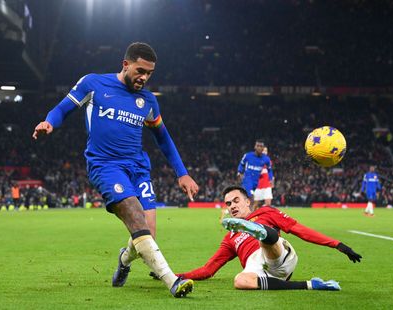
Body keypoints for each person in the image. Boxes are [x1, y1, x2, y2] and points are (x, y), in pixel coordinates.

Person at [33, 42, 199, 298]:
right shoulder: (93, 84)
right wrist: (49, 122)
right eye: (140, 70)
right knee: (134, 215)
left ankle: (124, 259)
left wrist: (182, 172)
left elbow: (163, 138)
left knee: (147, 235)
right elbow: (63, 108)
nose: (144, 77)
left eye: (149, 73)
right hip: (105, 165)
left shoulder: (148, 101)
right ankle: (172, 281)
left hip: (139, 168)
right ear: (126, 64)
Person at [178, 186, 362, 291]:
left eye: (236, 201)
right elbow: (208, 269)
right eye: (228, 204)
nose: (232, 206)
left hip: (279, 255)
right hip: (260, 271)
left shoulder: (266, 211)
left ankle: (263, 233)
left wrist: (337, 245)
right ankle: (311, 285)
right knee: (239, 281)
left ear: (247, 201)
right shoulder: (230, 238)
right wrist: (175, 276)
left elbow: (299, 229)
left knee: (264, 241)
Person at [237, 140, 273, 207]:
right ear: (255, 147)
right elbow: (241, 164)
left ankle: (242, 210)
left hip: (256, 182)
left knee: (252, 202)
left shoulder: (266, 159)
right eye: (258, 146)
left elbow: (270, 169)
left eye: (261, 146)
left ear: (263, 148)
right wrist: (239, 172)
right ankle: (248, 215)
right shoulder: (248, 156)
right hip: (247, 179)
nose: (259, 148)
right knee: (251, 197)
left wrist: (270, 179)